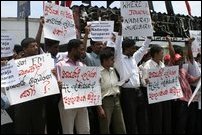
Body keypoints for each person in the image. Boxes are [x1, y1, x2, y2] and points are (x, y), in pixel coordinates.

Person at [114, 17, 151, 134]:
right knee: (131, 119)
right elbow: (118, 44)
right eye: (132, 48)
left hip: (138, 91)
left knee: (142, 118)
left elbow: (144, 48)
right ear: (126, 49)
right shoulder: (119, 59)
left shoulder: (134, 58)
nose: (135, 49)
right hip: (127, 93)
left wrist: (149, 33)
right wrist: (121, 27)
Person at [56, 39, 90, 134]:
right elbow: (59, 84)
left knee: (85, 130)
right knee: (68, 131)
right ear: (73, 50)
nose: (83, 52)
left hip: (82, 102)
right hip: (67, 103)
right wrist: (60, 84)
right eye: (81, 49)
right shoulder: (60, 65)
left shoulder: (82, 65)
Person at [14, 38, 46, 134]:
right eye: (32, 46)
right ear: (24, 49)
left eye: (36, 46)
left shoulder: (43, 62)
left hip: (38, 102)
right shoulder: (16, 63)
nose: (36, 48)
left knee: (39, 129)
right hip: (22, 104)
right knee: (22, 129)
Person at [97, 47, 126, 134]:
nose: (113, 61)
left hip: (116, 100)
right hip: (105, 101)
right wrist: (99, 108)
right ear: (105, 60)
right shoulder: (97, 72)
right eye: (111, 59)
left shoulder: (114, 70)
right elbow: (95, 91)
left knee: (120, 126)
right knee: (105, 126)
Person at [142, 44, 165, 134]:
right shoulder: (147, 66)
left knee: (160, 118)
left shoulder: (162, 64)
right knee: (153, 118)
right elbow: (143, 83)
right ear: (155, 54)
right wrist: (147, 81)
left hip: (161, 95)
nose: (162, 55)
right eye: (161, 53)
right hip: (151, 96)